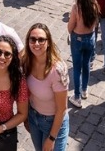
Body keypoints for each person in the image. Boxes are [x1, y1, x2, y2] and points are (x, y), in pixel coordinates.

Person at [22, 23, 70, 151]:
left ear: (48, 42)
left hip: (54, 123)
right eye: (33, 39)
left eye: (41, 40)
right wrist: (26, 117)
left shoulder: (57, 70)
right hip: (34, 118)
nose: (36, 43)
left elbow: (62, 108)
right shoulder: (26, 61)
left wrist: (52, 138)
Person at [67, 0, 99, 109]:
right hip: (90, 38)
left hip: (78, 39)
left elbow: (71, 26)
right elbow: (96, 24)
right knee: (86, 65)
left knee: (76, 68)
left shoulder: (76, 7)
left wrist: (70, 32)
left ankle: (77, 96)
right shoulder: (94, 5)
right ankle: (85, 90)